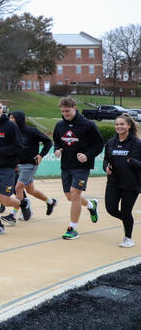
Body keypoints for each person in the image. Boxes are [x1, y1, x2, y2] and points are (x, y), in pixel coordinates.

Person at [53, 96, 103, 240]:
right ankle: (91, 205)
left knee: (75, 194)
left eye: (67, 111)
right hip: (66, 165)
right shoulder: (59, 126)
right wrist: (58, 150)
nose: (65, 114)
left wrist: (87, 156)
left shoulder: (88, 124)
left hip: (82, 166)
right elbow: (57, 142)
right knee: (70, 196)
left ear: (75, 108)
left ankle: (72, 228)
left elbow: (99, 145)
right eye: (62, 111)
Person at [0, 100, 29, 235]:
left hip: (6, 168)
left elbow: (19, 146)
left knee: (5, 200)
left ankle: (23, 203)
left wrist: (0, 151)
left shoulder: (10, 126)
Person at [7, 111, 56, 223]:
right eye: (9, 118)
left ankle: (13, 215)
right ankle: (50, 202)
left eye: (12, 118)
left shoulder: (31, 131)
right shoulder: (12, 132)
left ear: (19, 119)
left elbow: (48, 142)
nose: (10, 120)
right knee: (31, 190)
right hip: (19, 165)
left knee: (18, 188)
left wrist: (41, 155)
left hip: (30, 165)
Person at [103, 113, 141, 247]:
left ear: (129, 126)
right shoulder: (111, 142)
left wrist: (132, 161)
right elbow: (106, 159)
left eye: (122, 124)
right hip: (113, 182)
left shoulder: (137, 143)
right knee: (111, 209)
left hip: (131, 183)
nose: (119, 126)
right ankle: (127, 221)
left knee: (126, 211)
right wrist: (106, 167)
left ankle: (128, 238)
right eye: (117, 124)